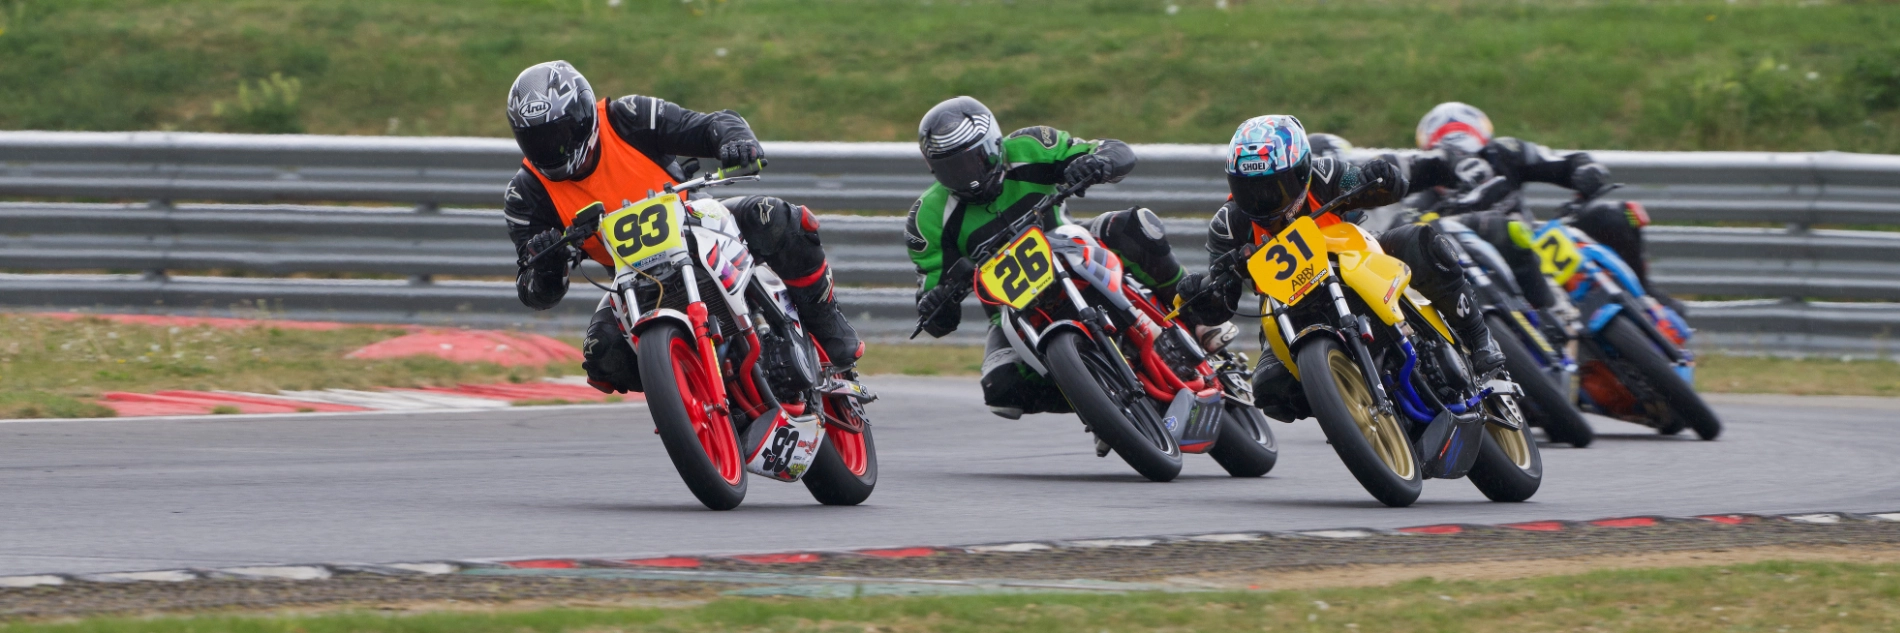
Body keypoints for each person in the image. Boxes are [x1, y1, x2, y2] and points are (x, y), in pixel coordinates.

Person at [501, 61, 861, 394]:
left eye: (561, 134)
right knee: (602, 354)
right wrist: (546, 264)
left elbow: (708, 125)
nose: (554, 149)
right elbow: (534, 292)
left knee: (773, 217)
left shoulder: (627, 116)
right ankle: (692, 399)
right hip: (630, 280)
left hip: (698, 223)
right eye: (538, 140)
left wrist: (734, 141)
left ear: (583, 115)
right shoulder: (525, 194)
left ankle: (826, 320)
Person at [1173, 115, 1506, 423]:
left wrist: (1380, 178)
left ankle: (1478, 337)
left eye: (1274, 185)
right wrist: (1203, 291)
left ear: (1300, 170)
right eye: (1250, 189)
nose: (1262, 199)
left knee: (1419, 242)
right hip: (1285, 308)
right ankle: (1349, 408)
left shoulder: (1326, 172)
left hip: (1355, 256)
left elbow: (1367, 182)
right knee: (1270, 389)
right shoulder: (1227, 226)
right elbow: (1222, 298)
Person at [906, 96, 1188, 420]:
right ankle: (1105, 408)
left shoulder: (1030, 146)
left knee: (1131, 226)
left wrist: (1097, 163)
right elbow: (937, 313)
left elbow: (1117, 151)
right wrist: (935, 303)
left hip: (1072, 247)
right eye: (951, 169)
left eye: (973, 161)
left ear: (994, 145)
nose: (966, 177)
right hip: (1011, 309)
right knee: (1001, 390)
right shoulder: (927, 218)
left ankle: (1192, 304)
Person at [1388, 102, 1653, 310]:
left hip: (1539, 246)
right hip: (1491, 276)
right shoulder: (1421, 200)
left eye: (1474, 157)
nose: (1465, 168)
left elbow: (1564, 162)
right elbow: (1402, 233)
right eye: (1448, 164)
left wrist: (1585, 170)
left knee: (1615, 215)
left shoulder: (1505, 153)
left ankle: (1648, 296)